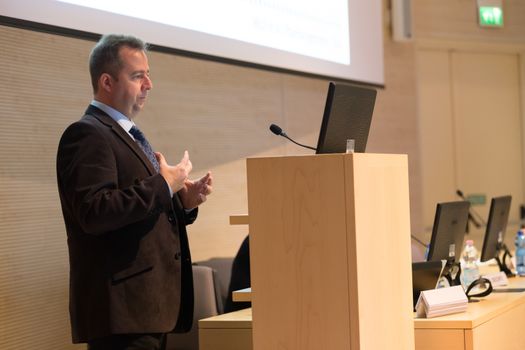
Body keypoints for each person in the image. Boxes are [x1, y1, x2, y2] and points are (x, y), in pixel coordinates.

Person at [56, 34, 213, 350]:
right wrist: (164, 185)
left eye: (148, 74)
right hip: (122, 314)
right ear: (107, 82)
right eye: (138, 75)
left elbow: (138, 209)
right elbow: (95, 212)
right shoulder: (87, 134)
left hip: (147, 309)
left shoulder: (124, 134)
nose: (149, 84)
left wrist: (180, 200)